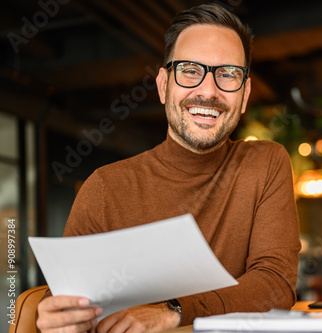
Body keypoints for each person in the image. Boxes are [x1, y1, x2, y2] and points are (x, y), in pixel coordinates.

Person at [36, 3, 301, 333]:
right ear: (163, 85)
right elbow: (68, 304)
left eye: (228, 74)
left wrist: (173, 311)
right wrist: (59, 319)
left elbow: (275, 284)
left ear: (244, 94)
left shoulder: (265, 164)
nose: (208, 91)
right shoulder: (105, 188)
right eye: (190, 70)